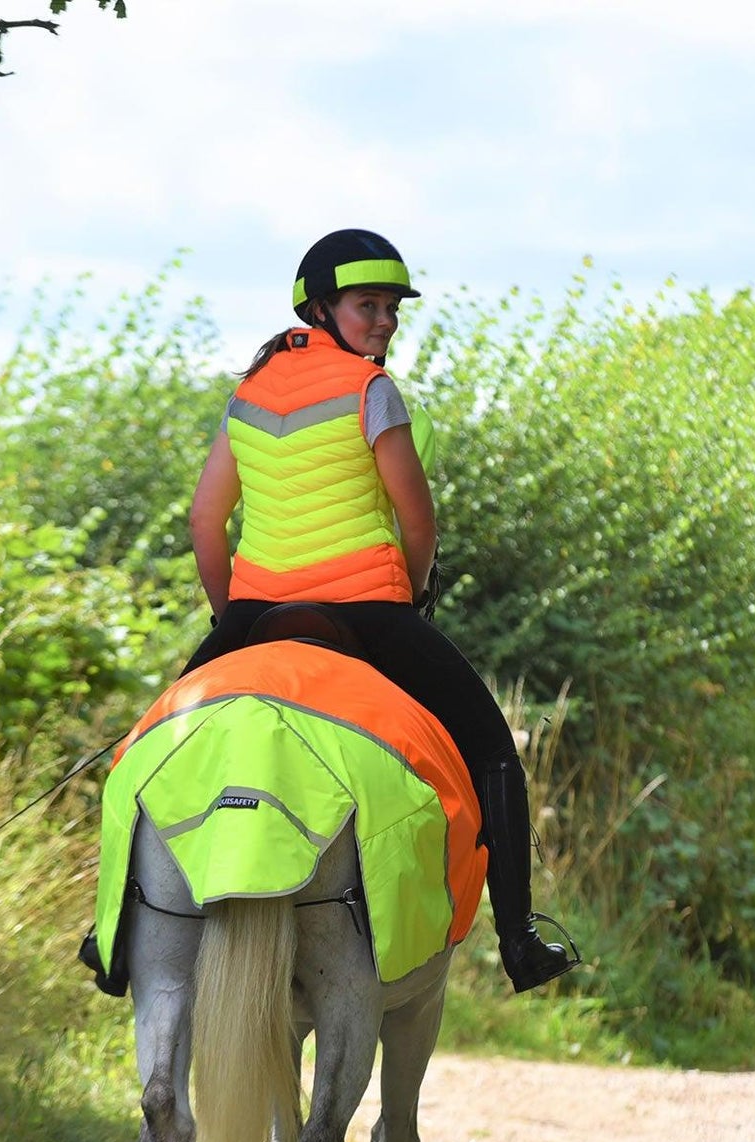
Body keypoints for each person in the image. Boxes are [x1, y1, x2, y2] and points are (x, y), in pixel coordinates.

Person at [182, 228, 576, 993]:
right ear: (322, 307)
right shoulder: (371, 392)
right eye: (369, 306)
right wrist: (415, 594)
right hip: (367, 614)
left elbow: (205, 523)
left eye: (392, 309)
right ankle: (520, 938)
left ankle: (110, 936)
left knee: (150, 742)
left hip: (255, 613)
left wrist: (227, 622)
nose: (385, 322)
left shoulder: (247, 398)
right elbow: (417, 522)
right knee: (493, 748)